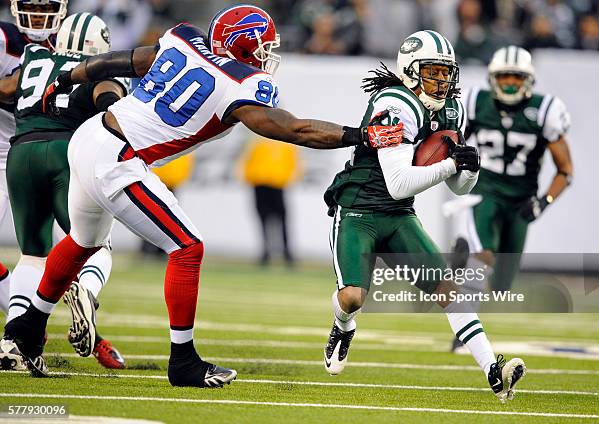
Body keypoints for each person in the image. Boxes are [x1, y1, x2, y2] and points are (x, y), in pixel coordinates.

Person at [2, 4, 404, 388]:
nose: (266, 57)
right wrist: (359, 135)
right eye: (263, 48)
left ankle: (26, 327)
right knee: (187, 248)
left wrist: (74, 74)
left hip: (90, 137)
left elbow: (127, 60)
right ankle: (183, 360)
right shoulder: (243, 83)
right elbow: (293, 129)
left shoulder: (184, 39)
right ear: (244, 46)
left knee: (82, 241)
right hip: (119, 156)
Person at [322, 30, 525, 403]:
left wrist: (469, 170)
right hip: (359, 208)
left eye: (447, 72)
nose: (442, 80)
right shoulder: (393, 102)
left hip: (399, 215)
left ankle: (493, 373)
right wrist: (450, 163)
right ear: (410, 70)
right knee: (352, 298)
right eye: (432, 71)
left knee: (449, 291)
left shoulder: (452, 109)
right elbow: (400, 182)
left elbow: (458, 188)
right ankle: (342, 327)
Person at [0, 12, 128, 372]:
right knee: (93, 244)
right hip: (64, 153)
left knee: (32, 255)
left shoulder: (33, 57)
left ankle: (14, 341)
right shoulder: (97, 67)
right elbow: (108, 97)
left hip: (20, 152)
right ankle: (86, 288)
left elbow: (5, 89)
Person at [450, 45, 572, 351]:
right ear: (492, 77)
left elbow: (565, 170)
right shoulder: (476, 102)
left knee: (502, 285)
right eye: (503, 76)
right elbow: (452, 141)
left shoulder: (545, 111)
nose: (509, 83)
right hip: (485, 192)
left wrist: (544, 202)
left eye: (516, 77)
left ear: (528, 80)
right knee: (484, 257)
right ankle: (464, 330)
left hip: (520, 201)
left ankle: (464, 270)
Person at [0, 0, 66, 321]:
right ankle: (25, 325)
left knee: (56, 253)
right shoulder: (5, 39)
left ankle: (26, 326)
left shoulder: (69, 43)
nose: (38, 17)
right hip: (10, 147)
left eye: (46, 9)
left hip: (31, 150)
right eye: (32, 8)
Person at [240, 135, 302, 266]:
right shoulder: (259, 144)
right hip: (260, 184)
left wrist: (284, 178)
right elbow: (248, 162)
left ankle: (286, 252)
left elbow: (294, 164)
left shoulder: (284, 145)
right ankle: (266, 252)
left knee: (281, 219)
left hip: (276, 184)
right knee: (263, 218)